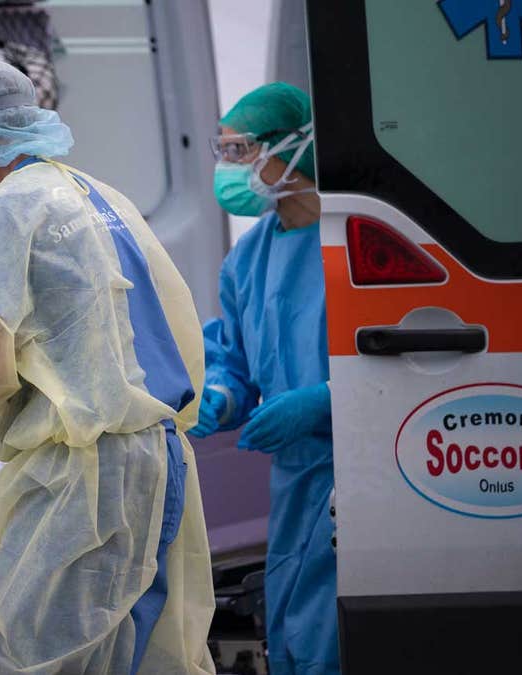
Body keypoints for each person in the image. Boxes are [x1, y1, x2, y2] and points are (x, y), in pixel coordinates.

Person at [0, 56, 216, 674]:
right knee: (148, 658)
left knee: (40, 657)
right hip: (160, 455)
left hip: (83, 479)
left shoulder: (8, 211)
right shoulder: (98, 196)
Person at [189, 82, 338, 675]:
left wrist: (327, 401)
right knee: (292, 627)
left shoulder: (358, 243)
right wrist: (220, 394)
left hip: (365, 471)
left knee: (336, 631)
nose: (229, 168)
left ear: (295, 148)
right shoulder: (247, 259)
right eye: (222, 151)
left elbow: (405, 358)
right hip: (295, 481)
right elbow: (235, 357)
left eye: (241, 150)